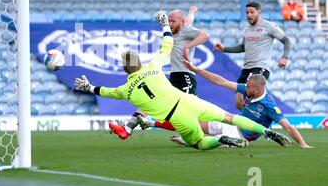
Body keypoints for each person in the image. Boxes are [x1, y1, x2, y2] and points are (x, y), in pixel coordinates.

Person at [74, 10, 291, 150]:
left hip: (176, 114)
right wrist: (164, 26)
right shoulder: (153, 67)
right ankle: (267, 132)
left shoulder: (125, 89)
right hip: (187, 101)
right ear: (139, 63)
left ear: (124, 69)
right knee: (230, 117)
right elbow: (166, 45)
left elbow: (106, 91)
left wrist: (88, 87)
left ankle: (221, 140)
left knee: (198, 142)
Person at [109, 6, 210, 140]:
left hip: (186, 77)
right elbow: (188, 21)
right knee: (150, 101)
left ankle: (152, 123)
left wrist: (188, 46)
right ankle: (127, 129)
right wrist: (192, 12)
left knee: (186, 115)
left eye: (173, 21)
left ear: (181, 21)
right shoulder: (178, 31)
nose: (170, 24)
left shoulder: (186, 31)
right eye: (169, 21)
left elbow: (205, 35)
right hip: (174, 77)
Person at [164, 60, 312, 148]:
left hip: (239, 134)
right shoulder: (248, 90)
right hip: (231, 122)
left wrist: (302, 144)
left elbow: (288, 126)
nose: (245, 88)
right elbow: (221, 81)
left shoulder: (269, 105)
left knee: (206, 143)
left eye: (248, 87)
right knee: (196, 123)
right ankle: (187, 138)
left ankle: (192, 141)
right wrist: (197, 70)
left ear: (258, 89)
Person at [213, 2, 292, 111]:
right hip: (246, 69)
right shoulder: (247, 29)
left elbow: (287, 40)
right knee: (238, 102)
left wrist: (285, 57)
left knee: (249, 96)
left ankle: (267, 117)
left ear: (259, 12)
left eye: (252, 12)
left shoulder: (268, 26)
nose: (249, 15)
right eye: (247, 13)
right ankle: (254, 122)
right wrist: (224, 49)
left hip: (260, 68)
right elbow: (243, 47)